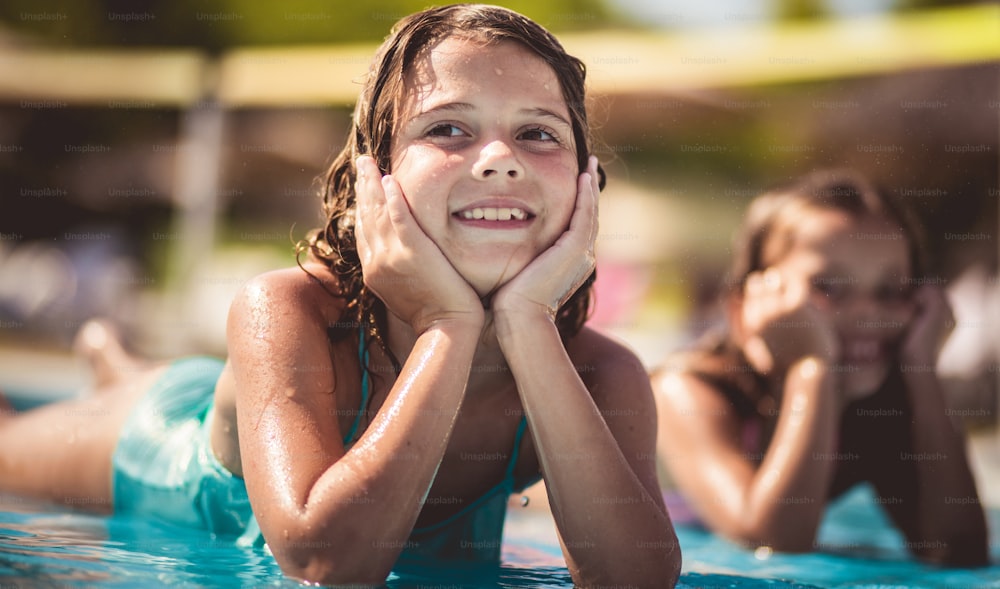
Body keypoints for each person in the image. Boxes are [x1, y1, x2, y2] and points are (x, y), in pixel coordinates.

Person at [0, 5, 680, 586]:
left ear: (587, 182)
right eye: (448, 128)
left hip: (258, 402)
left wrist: (528, 323)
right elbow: (324, 558)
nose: (499, 157)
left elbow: (635, 575)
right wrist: (449, 321)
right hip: (161, 448)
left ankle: (116, 360)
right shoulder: (287, 309)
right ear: (374, 177)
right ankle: (118, 368)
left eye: (538, 133)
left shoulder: (599, 374)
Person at [652, 169, 988, 566]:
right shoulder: (688, 390)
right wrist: (811, 368)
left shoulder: (880, 404)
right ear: (747, 305)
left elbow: (959, 549)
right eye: (828, 287)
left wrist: (922, 369)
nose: (867, 313)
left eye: (890, 291)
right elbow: (773, 542)